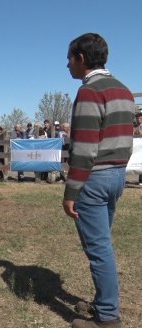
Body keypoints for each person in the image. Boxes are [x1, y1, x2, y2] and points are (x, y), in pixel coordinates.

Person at [63, 33, 134, 328]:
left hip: (93, 179)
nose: (67, 65)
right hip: (117, 175)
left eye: (69, 59)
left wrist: (71, 191)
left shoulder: (90, 91)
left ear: (81, 59)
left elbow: (85, 147)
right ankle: (104, 303)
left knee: (99, 249)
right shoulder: (124, 90)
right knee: (102, 244)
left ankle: (107, 318)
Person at [133, 113, 142, 185]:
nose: (140, 119)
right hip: (136, 148)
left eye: (141, 118)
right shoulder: (134, 126)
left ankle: (141, 180)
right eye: (138, 118)